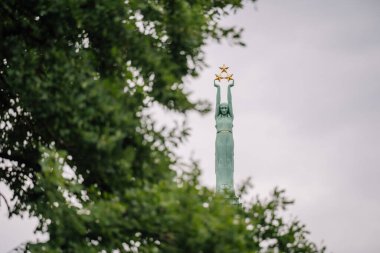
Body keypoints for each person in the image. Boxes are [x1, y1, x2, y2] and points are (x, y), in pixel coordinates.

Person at [214, 79, 234, 192]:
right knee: (220, 160)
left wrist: (229, 88)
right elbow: (217, 103)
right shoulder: (218, 117)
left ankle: (229, 186)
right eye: (222, 108)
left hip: (229, 137)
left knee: (229, 160)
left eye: (226, 108)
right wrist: (218, 88)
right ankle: (220, 185)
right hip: (220, 137)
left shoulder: (230, 117)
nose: (224, 109)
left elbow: (230, 102)